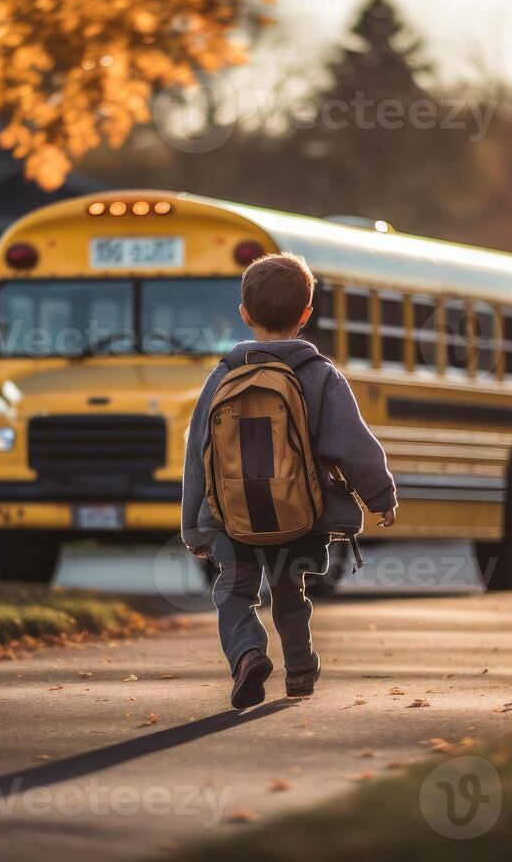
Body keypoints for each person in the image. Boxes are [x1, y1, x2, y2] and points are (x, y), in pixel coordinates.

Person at [181, 252, 397, 709]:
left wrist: (195, 526)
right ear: (306, 314)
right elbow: (352, 443)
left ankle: (247, 656)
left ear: (244, 314)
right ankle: (299, 672)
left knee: (233, 592)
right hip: (302, 512)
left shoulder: (223, 375)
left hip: (233, 514)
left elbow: (198, 453)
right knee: (289, 591)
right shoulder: (320, 376)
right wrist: (380, 496)